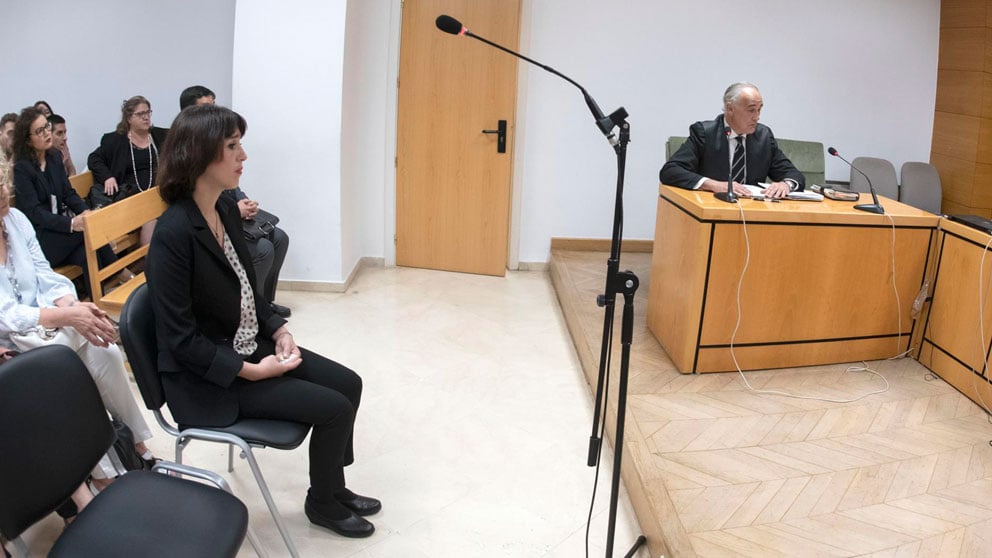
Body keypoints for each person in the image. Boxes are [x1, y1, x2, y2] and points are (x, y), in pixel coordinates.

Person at [146, 104, 379, 538]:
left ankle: (333, 484)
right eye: (232, 146)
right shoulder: (173, 234)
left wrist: (279, 329)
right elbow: (180, 340)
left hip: (245, 346)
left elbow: (248, 290)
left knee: (349, 382)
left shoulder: (225, 210)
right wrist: (252, 371)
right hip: (206, 381)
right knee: (334, 408)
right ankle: (323, 504)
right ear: (199, 156)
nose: (243, 156)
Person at [0, 158, 154, 495]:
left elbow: (45, 273)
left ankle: (139, 447)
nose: (4, 195)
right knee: (67, 369)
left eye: (3, 185)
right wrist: (67, 317)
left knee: (106, 351)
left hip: (42, 324)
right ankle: (100, 472)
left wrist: (72, 305)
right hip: (10, 342)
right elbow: (6, 314)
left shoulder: (15, 220)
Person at [181, 86, 291, 317]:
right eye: (233, 146)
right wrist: (234, 211)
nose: (242, 155)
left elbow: (233, 189)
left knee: (279, 237)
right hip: (220, 222)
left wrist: (244, 203)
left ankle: (263, 304)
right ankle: (250, 307)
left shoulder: (216, 156)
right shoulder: (188, 157)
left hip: (229, 215)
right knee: (262, 250)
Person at [11, 107, 126, 295]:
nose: (47, 133)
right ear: (27, 139)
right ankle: (122, 272)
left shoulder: (55, 157)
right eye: (40, 131)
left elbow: (68, 194)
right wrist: (72, 223)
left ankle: (99, 304)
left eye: (46, 127)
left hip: (61, 234)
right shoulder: (22, 169)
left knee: (87, 254)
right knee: (86, 234)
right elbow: (35, 213)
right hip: (40, 239)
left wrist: (86, 212)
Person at [660, 82, 805, 199]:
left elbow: (794, 175)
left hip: (752, 214)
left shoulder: (763, 137)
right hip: (712, 208)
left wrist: (785, 185)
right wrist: (713, 184)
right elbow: (670, 171)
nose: (757, 117)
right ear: (730, 108)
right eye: (751, 110)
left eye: (759, 110)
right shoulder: (705, 133)